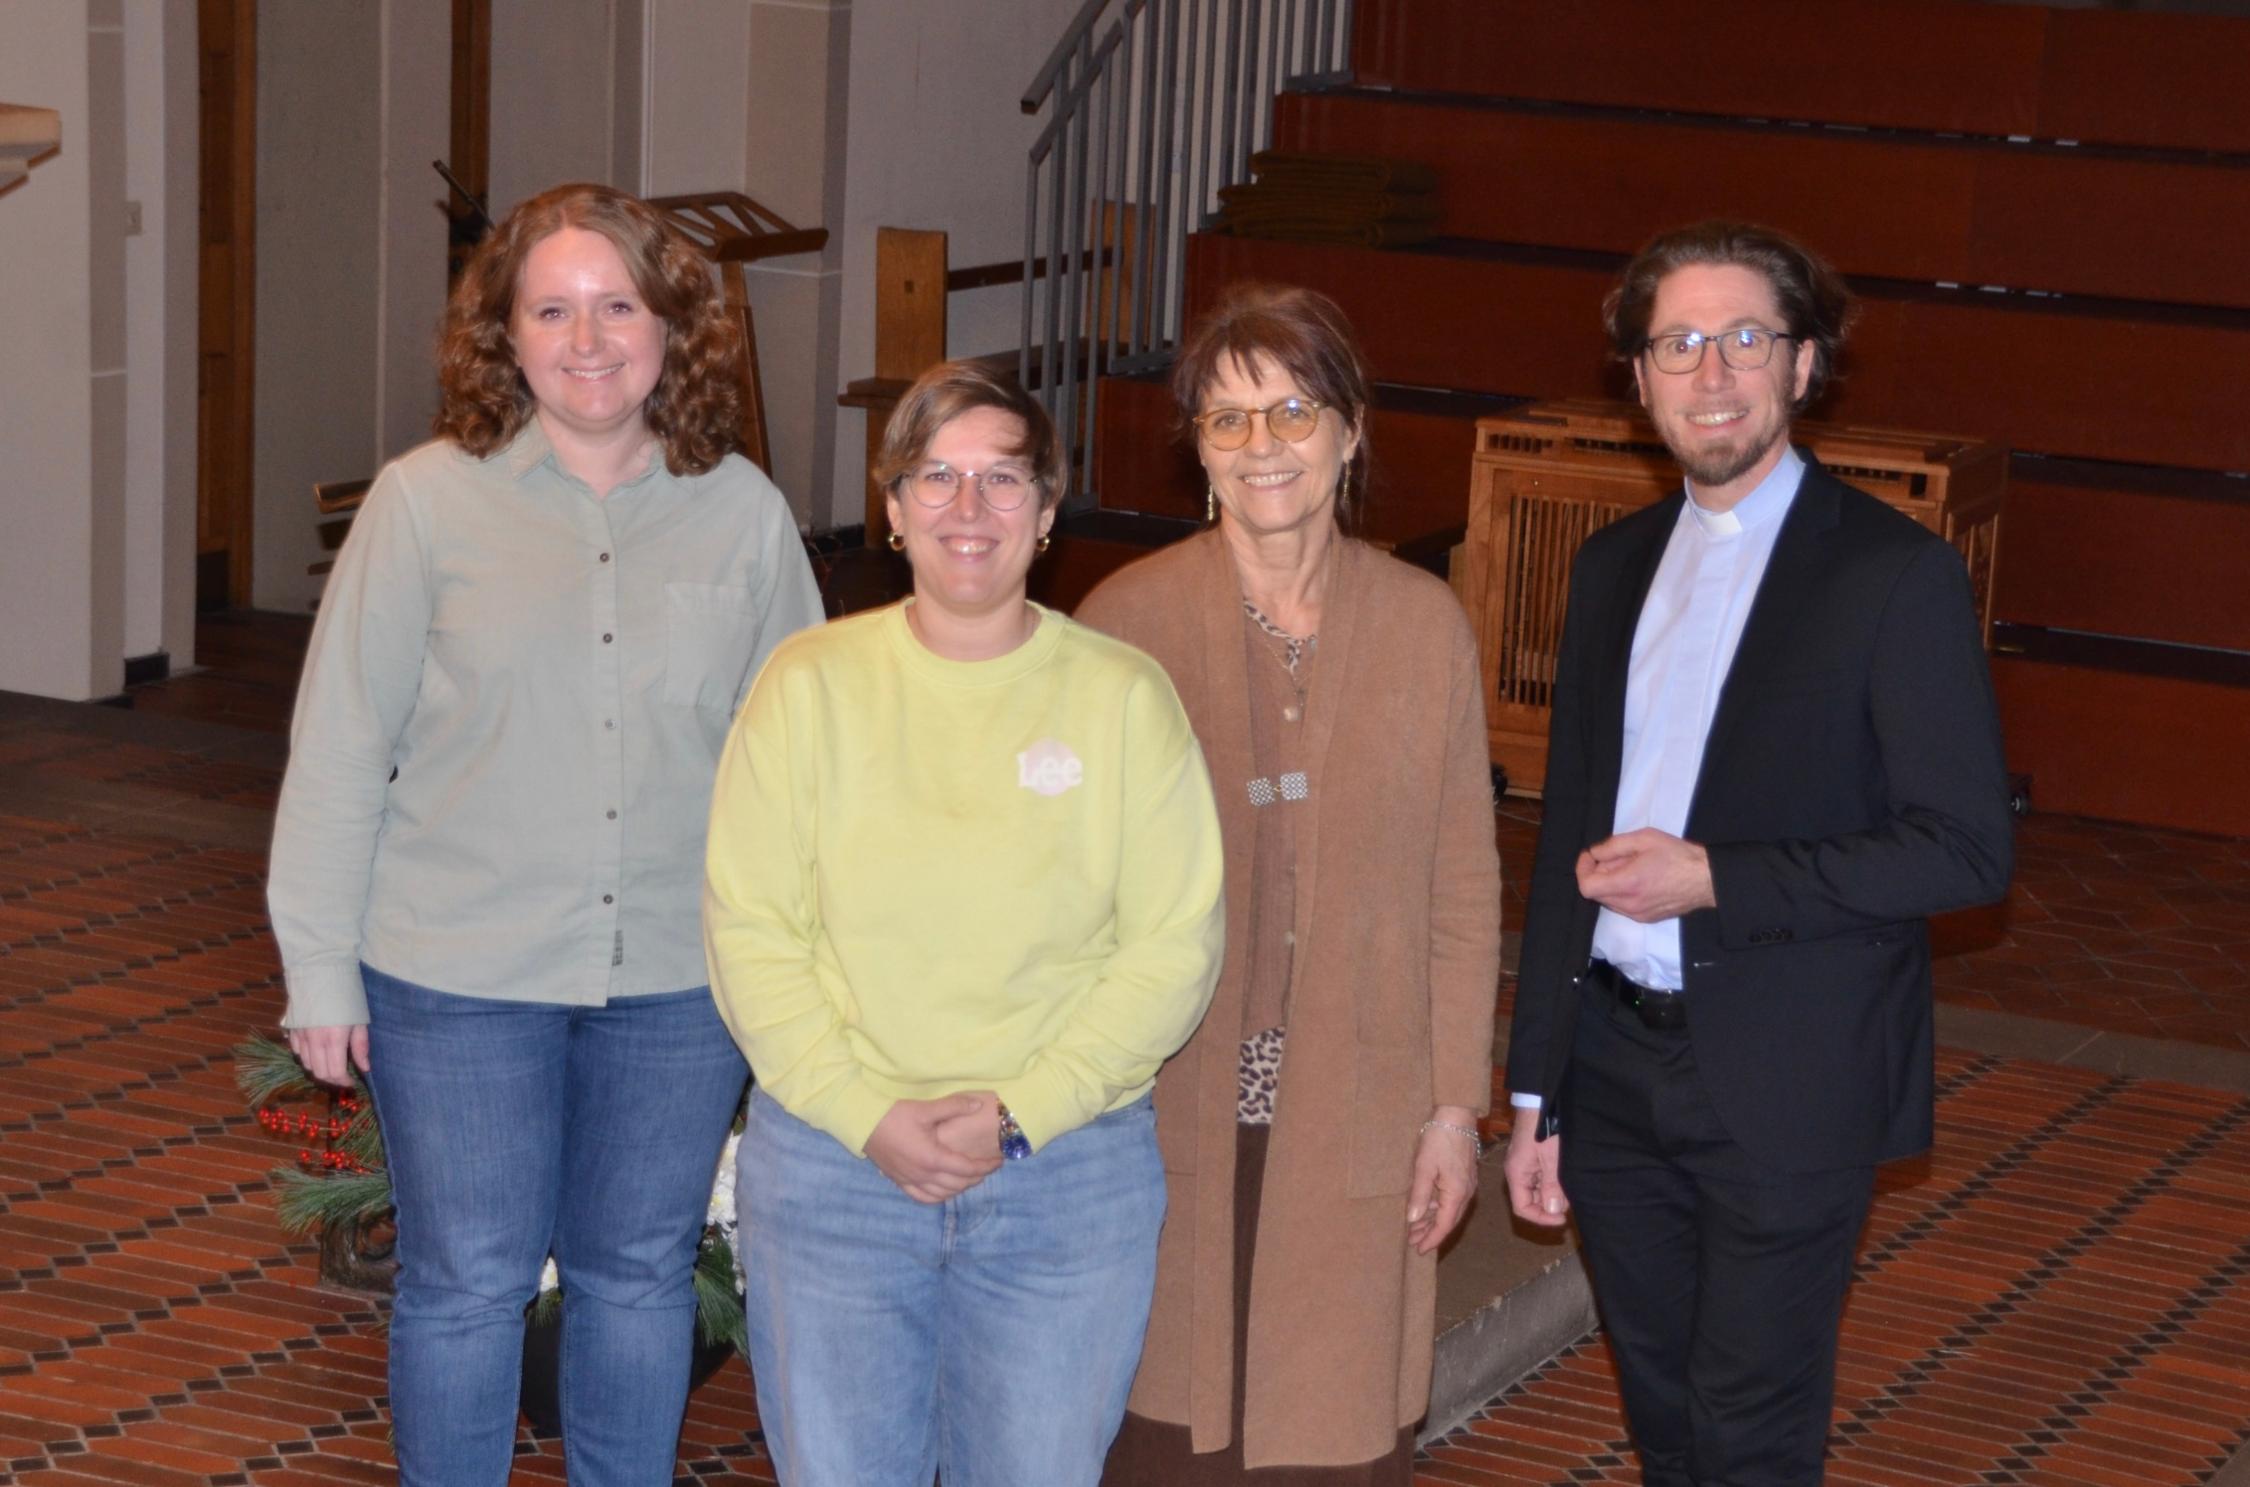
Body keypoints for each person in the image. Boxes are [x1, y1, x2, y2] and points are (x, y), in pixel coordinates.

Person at [268, 181, 823, 1486]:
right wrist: (318, 965)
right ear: (502, 336)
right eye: (552, 308)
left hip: (680, 978)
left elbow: (802, 749)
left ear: (673, 325)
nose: (587, 337)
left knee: (636, 1276)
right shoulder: (425, 505)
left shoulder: (740, 510)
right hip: (456, 971)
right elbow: (344, 740)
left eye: (618, 304)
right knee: (467, 1282)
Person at [1502, 220, 2015, 1486]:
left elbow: (1963, 851)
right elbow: (1570, 827)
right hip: (1613, 1064)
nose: (1712, 372)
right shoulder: (1613, 566)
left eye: (1746, 339)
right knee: (1667, 1408)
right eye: (1679, 342)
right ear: (1638, 380)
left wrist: (1717, 876)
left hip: (1791, 1064)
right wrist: (1535, 1091)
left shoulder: (1897, 574)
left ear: (1803, 366)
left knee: (1749, 1428)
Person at [703, 359, 1225, 1487]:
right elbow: (750, 928)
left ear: (1046, 512)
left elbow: (1174, 943)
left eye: (1001, 479)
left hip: (1065, 1181)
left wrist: (1024, 1112)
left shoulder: (1123, 696)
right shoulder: (807, 684)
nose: (967, 507)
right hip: (837, 1172)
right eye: (935, 476)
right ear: (891, 511)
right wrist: (863, 1111)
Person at [1079, 283, 1502, 1483]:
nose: (1263, 446)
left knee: (1330, 1420)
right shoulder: (1128, 622)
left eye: (1293, 411)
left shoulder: (1427, 627)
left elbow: (1462, 885)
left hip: (1359, 1097)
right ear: (1197, 448)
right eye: (1228, 419)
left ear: (1351, 429)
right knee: (1167, 1423)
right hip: (1169, 1099)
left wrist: (1451, 1107)